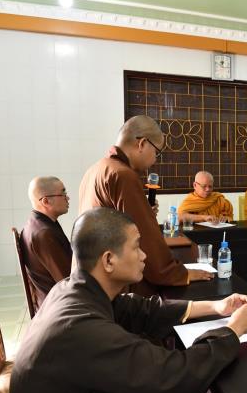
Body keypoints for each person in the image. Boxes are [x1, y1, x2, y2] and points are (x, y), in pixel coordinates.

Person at [8, 207, 247, 393]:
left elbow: (142, 309)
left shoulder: (72, 288)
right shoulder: (82, 330)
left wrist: (217, 307)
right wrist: (233, 330)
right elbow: (173, 375)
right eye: (137, 247)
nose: (144, 255)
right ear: (108, 260)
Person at [79, 115, 212, 297]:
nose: (155, 159)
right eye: (157, 152)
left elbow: (114, 220)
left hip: (91, 279)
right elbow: (144, 238)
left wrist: (145, 211)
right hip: (112, 284)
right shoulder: (123, 175)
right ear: (142, 144)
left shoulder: (94, 170)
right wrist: (179, 273)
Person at [20, 176, 72, 308]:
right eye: (63, 193)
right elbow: (68, 282)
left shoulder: (37, 224)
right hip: (58, 308)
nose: (68, 198)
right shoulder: (43, 234)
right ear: (46, 201)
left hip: (52, 301)